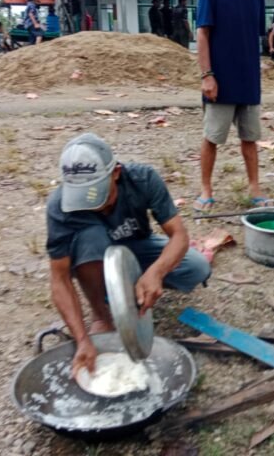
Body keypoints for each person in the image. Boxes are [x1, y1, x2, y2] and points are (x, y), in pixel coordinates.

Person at [46, 133, 211, 377]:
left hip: (137, 246)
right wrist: (82, 339)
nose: (94, 204)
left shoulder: (142, 179)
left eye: (98, 193)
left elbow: (179, 236)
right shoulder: (60, 205)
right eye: (85, 196)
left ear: (116, 172)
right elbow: (59, 279)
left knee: (196, 267)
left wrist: (156, 272)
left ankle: (130, 288)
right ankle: (101, 314)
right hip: (94, 255)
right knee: (91, 238)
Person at [194, 0, 269, 212]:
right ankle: (206, 189)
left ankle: (254, 188)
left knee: (250, 137)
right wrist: (207, 75)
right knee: (212, 137)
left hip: (248, 80)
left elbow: (253, 36)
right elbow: (203, 34)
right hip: (220, 80)